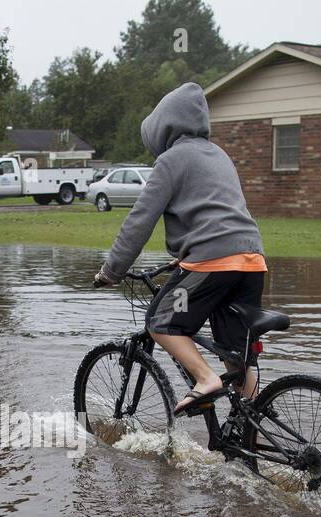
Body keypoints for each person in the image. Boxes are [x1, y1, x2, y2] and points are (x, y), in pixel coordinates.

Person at [95, 82, 267, 414]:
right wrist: (187, 257)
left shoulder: (171, 160)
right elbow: (216, 213)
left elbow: (138, 223)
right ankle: (252, 429)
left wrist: (111, 271)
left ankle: (205, 379)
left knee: (160, 321)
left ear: (163, 128)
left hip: (214, 262)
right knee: (237, 353)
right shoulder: (219, 155)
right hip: (251, 261)